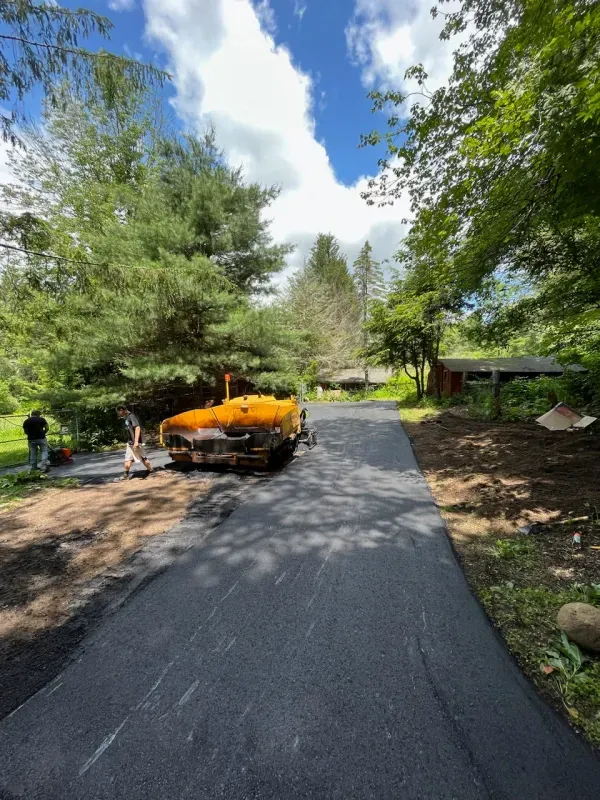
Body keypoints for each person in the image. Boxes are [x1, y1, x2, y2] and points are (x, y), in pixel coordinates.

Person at [115, 405, 153, 481]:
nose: (118, 413)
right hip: (130, 442)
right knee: (128, 459)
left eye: (118, 412)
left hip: (137, 442)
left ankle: (151, 471)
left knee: (143, 458)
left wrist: (136, 442)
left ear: (122, 410)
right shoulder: (126, 417)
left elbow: (137, 428)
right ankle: (125, 475)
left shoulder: (131, 416)